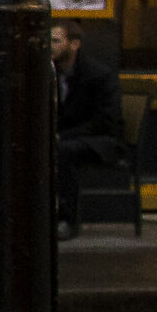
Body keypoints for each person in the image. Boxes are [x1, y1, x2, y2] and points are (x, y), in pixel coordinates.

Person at [52, 20, 126, 241]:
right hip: (68, 136)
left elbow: (105, 121)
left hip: (101, 140)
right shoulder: (50, 73)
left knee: (64, 151)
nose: (50, 45)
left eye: (56, 40)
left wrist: (62, 135)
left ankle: (67, 219)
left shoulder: (98, 75)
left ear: (74, 44)